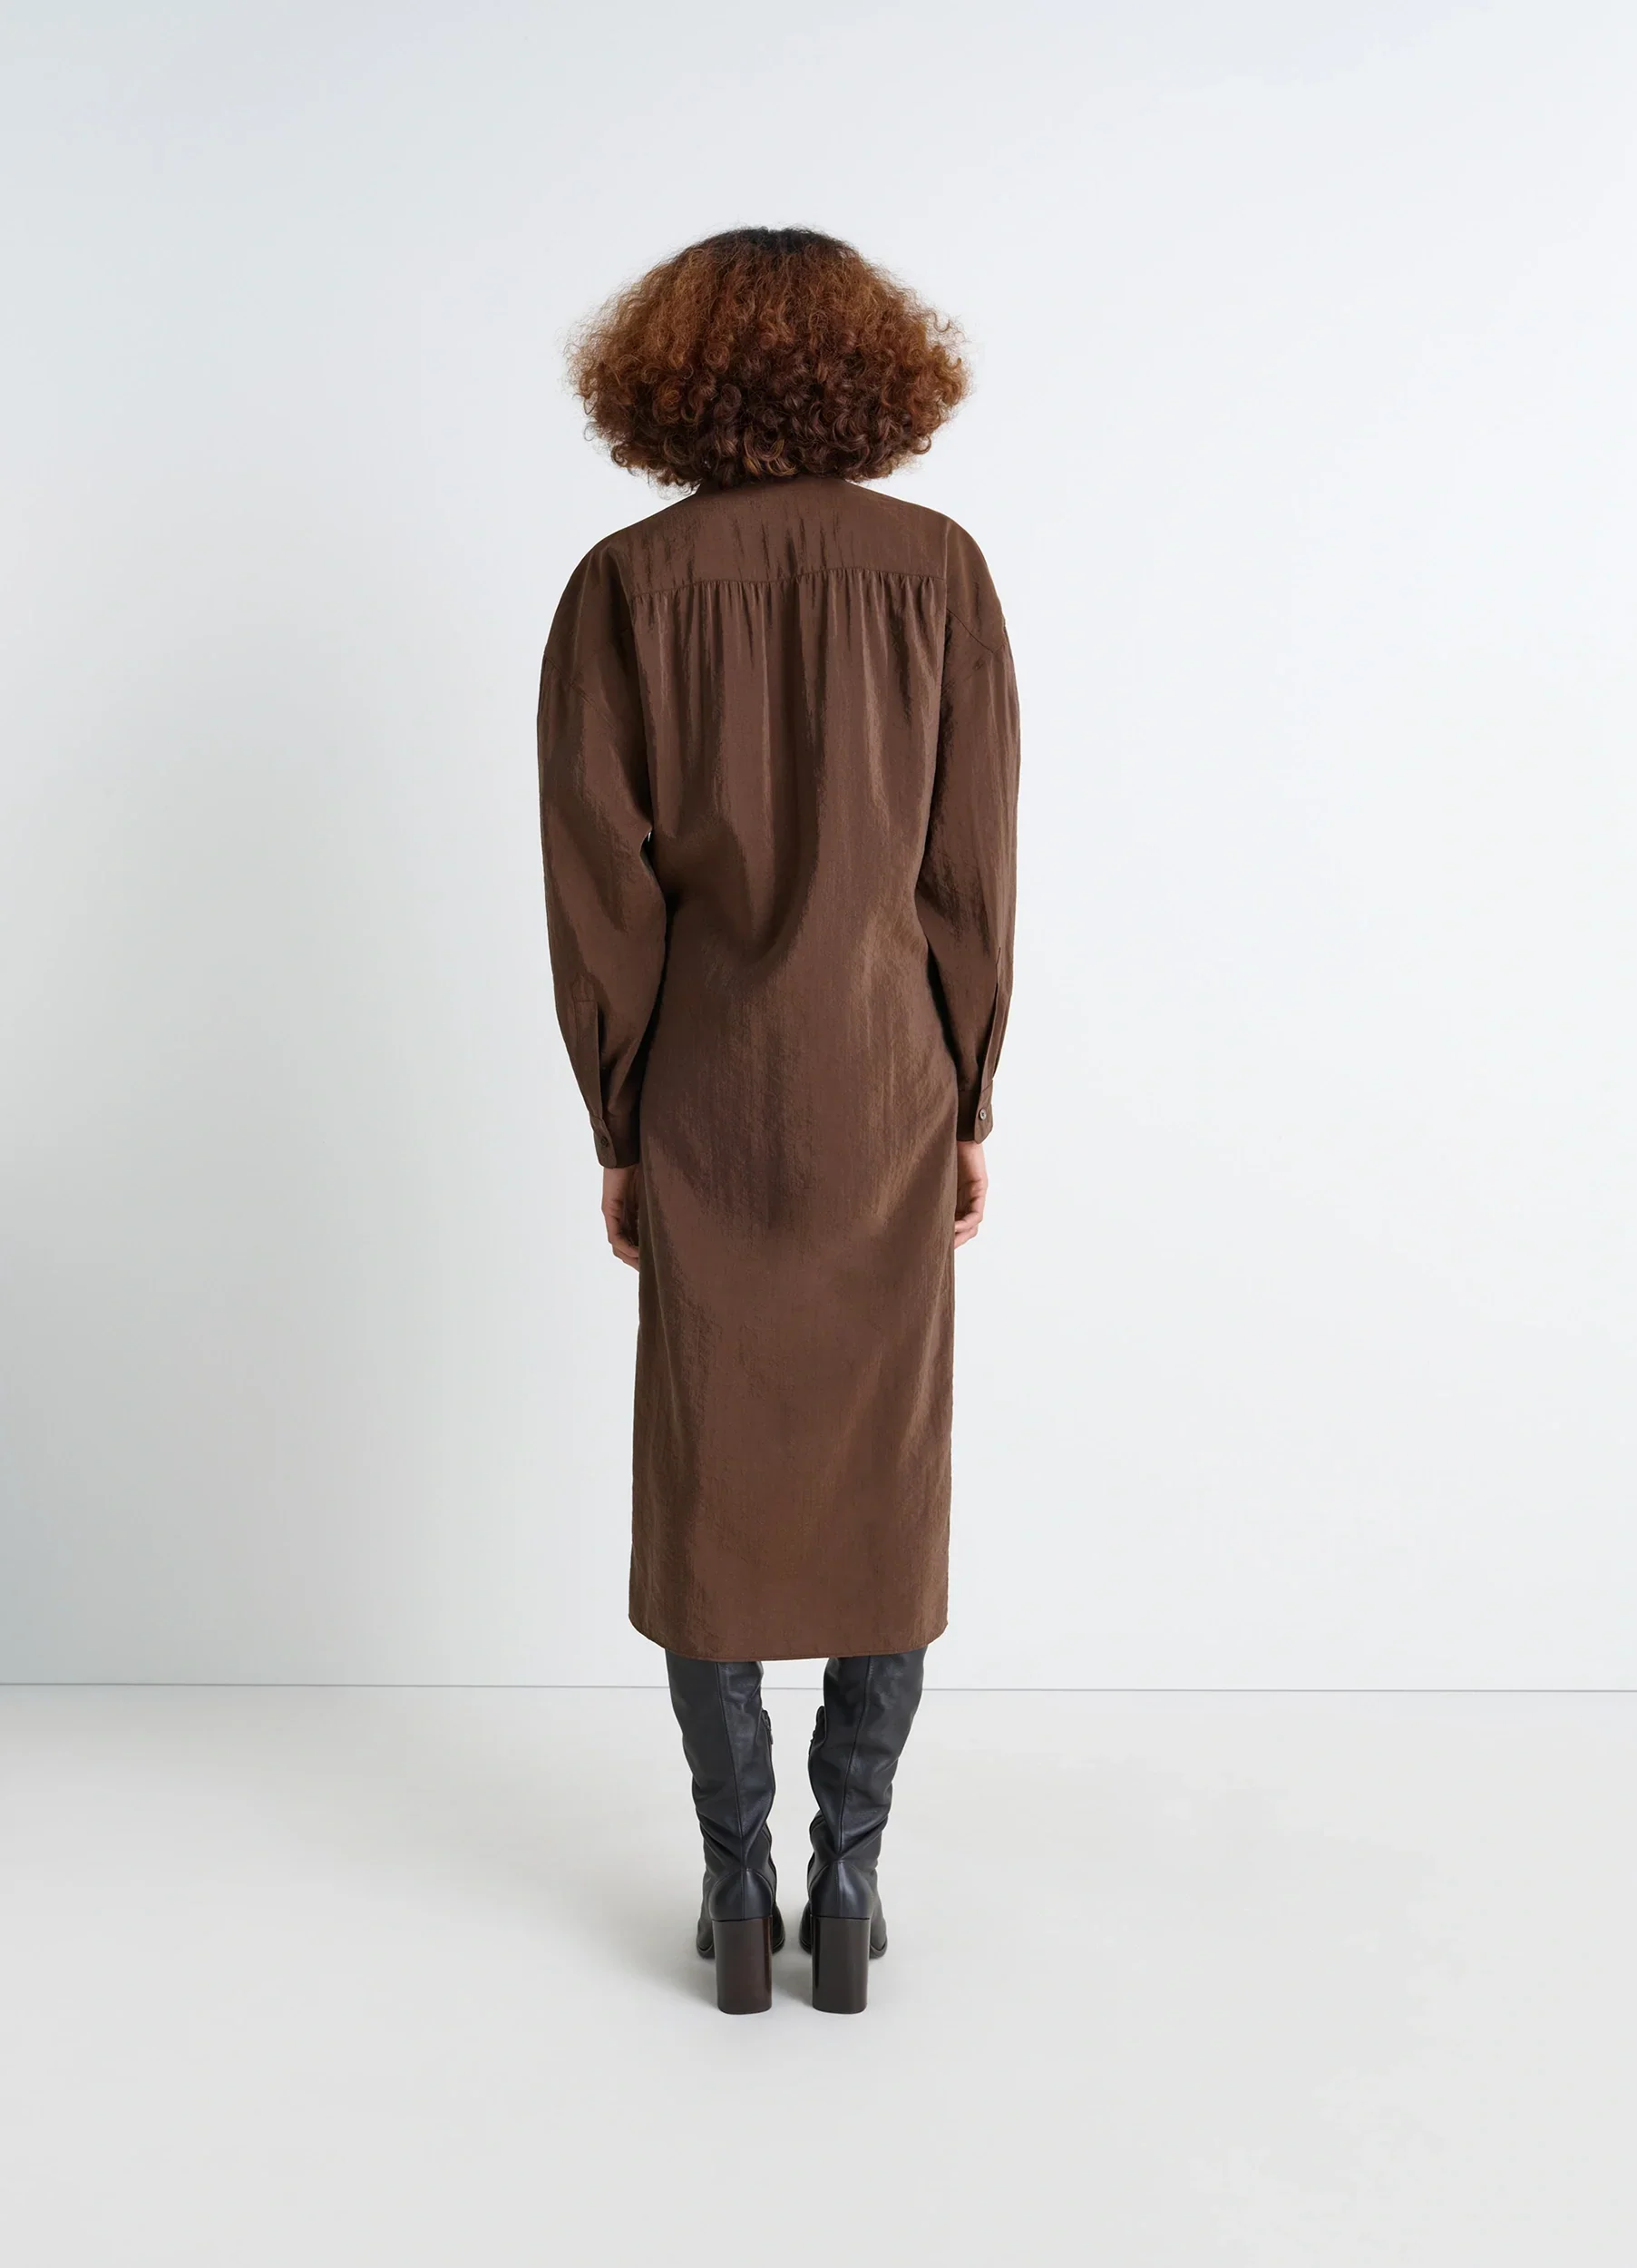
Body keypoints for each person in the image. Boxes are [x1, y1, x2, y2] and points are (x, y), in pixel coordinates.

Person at [537, 227, 1019, 2014]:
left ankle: (736, 1888)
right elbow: (969, 874)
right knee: (885, 1473)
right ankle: (848, 1878)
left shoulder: (623, 587)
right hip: (887, 1083)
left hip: (708, 1094)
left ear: (665, 378)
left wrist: (618, 1116)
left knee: (709, 1475)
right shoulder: (937, 571)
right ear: (874, 371)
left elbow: (600, 892)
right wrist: (967, 1091)